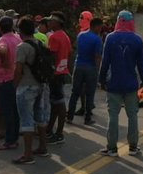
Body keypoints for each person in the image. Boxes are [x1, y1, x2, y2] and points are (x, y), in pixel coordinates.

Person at [98, 10, 143, 157]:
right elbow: (141, 64)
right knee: (132, 116)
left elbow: (105, 62)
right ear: (132, 22)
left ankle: (112, 148)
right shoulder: (137, 40)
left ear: (118, 21)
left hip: (114, 84)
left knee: (113, 116)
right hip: (131, 84)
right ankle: (133, 147)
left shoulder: (110, 38)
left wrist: (101, 80)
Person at [13, 18, 50, 164]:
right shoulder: (39, 43)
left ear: (20, 31)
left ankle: (27, 155)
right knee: (40, 117)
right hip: (41, 85)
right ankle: (43, 147)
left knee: (26, 120)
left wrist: (15, 85)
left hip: (26, 86)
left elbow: (18, 69)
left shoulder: (22, 47)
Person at [0, 16, 21, 150]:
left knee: (8, 111)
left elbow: (2, 50)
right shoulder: (17, 38)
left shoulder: (2, 39)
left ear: (0, 27)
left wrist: (5, 63)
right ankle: (14, 137)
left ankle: (9, 140)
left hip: (5, 79)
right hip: (15, 78)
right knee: (15, 110)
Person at [67, 18, 103, 125]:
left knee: (75, 93)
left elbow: (76, 48)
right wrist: (97, 71)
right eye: (100, 27)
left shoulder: (81, 35)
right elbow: (97, 57)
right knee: (89, 94)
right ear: (95, 26)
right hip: (90, 68)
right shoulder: (97, 39)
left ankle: (70, 117)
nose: (101, 29)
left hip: (78, 66)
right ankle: (87, 118)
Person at [45, 11, 71, 145]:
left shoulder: (54, 37)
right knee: (55, 103)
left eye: (51, 20)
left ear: (57, 22)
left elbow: (52, 58)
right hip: (62, 72)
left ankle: (59, 133)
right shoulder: (65, 36)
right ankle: (49, 129)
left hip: (55, 74)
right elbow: (68, 54)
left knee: (59, 104)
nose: (49, 23)